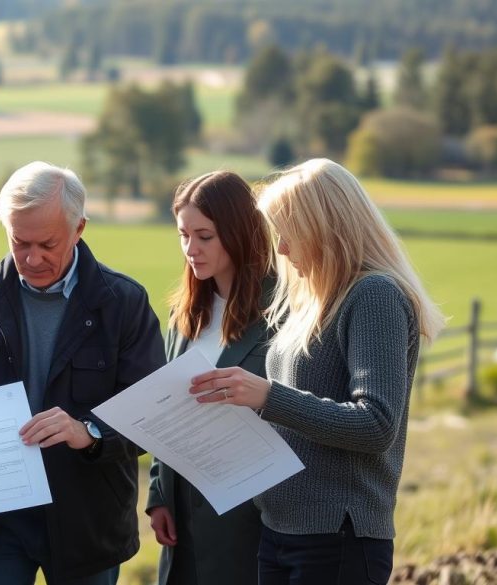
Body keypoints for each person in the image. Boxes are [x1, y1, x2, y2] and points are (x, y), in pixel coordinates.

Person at [191, 159, 445, 584]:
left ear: (326, 227)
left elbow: (376, 424)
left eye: (289, 233)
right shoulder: (311, 301)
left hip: (337, 537)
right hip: (281, 528)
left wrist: (268, 396)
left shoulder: (374, 296)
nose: (283, 249)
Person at [0, 161, 166, 585]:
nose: (31, 258)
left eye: (47, 244)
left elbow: (150, 412)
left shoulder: (123, 303)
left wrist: (87, 431)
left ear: (79, 228)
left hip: (86, 519)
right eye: (19, 242)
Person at [145, 170, 272, 585]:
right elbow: (167, 410)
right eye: (184, 235)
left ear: (238, 233)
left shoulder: (282, 316)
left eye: (204, 236)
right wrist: (159, 494)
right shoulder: (182, 316)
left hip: (250, 515)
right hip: (182, 518)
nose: (190, 249)